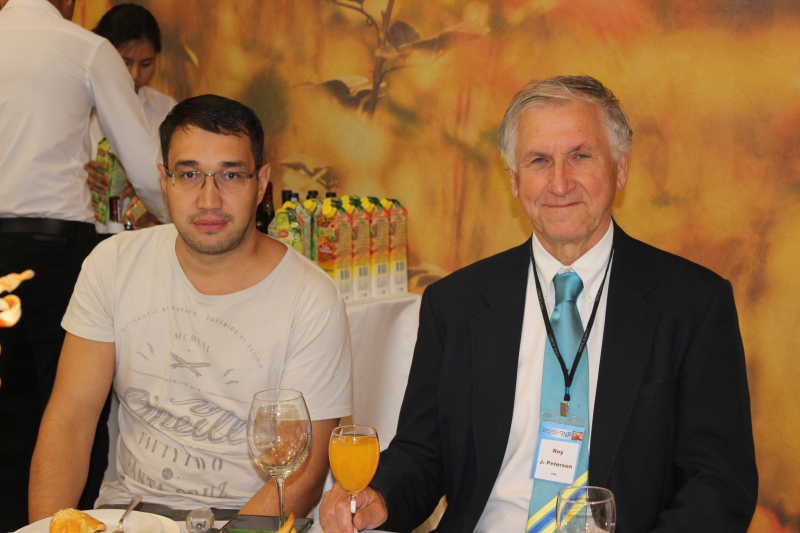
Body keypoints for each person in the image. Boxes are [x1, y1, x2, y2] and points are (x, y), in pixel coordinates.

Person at [320, 76, 758, 533]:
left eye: (581, 156)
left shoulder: (693, 305)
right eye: (539, 161)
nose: (560, 183)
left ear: (621, 168)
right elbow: (422, 454)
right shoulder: (456, 304)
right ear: (514, 180)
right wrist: (380, 496)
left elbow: (719, 484)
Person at [28, 94, 353, 522]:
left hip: (244, 520)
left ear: (261, 183)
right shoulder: (114, 263)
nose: (209, 200)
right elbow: (70, 420)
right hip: (131, 514)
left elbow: (302, 473)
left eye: (231, 175)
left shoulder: (311, 297)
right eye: (189, 174)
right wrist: (51, 528)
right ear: (164, 181)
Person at [0, 0, 169, 528]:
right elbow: (145, 167)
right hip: (54, 253)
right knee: (73, 411)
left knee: (9, 412)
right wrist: (179, 226)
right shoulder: (85, 48)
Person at [84, 3, 177, 234]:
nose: (134, 74)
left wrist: (150, 190)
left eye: (146, 64)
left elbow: (180, 177)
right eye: (125, 63)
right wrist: (78, 175)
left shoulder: (167, 110)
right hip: (84, 232)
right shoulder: (79, 107)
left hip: (143, 234)